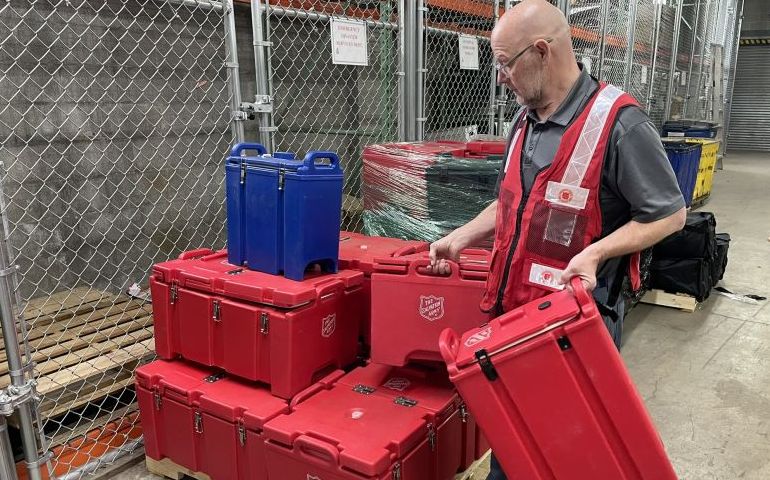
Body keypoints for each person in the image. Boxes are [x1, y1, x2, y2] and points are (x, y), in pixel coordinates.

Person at [428, 1, 686, 478]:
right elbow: (514, 202)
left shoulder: (621, 123)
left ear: (542, 51)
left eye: (505, 63)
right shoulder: (523, 121)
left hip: (571, 331)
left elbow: (670, 214)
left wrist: (597, 251)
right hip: (513, 319)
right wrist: (460, 236)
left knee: (555, 451)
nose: (499, 76)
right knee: (516, 442)